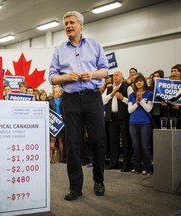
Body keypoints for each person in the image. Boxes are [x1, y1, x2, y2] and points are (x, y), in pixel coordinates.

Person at [49, 11, 108, 200]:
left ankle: (99, 180)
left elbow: (105, 70)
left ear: (81, 25)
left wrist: (92, 74)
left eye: (71, 22)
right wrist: (66, 77)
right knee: (73, 144)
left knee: (98, 140)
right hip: (71, 99)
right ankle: (75, 187)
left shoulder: (95, 44)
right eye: (65, 23)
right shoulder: (59, 49)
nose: (68, 26)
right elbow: (52, 77)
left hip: (92, 98)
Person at [102, 71, 133, 172]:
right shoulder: (109, 88)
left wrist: (122, 98)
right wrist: (111, 94)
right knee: (113, 141)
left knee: (125, 141)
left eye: (117, 75)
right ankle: (113, 162)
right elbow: (102, 101)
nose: (115, 77)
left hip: (123, 117)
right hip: (112, 118)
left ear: (122, 77)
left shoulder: (127, 87)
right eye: (113, 76)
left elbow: (132, 102)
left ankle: (126, 164)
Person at [128, 74, 154, 175]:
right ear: (134, 83)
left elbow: (148, 109)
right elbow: (130, 110)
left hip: (145, 123)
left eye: (141, 80)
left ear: (144, 82)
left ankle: (146, 168)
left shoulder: (150, 94)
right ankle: (136, 166)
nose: (139, 82)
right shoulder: (132, 95)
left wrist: (141, 100)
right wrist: (137, 103)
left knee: (144, 146)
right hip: (133, 123)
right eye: (137, 81)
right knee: (136, 146)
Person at [49, 87, 65, 163]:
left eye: (59, 92)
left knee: (61, 140)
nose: (58, 93)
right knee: (52, 140)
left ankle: (61, 157)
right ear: (53, 93)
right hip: (53, 123)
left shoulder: (64, 101)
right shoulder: (50, 102)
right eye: (56, 92)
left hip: (61, 123)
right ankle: (50, 157)